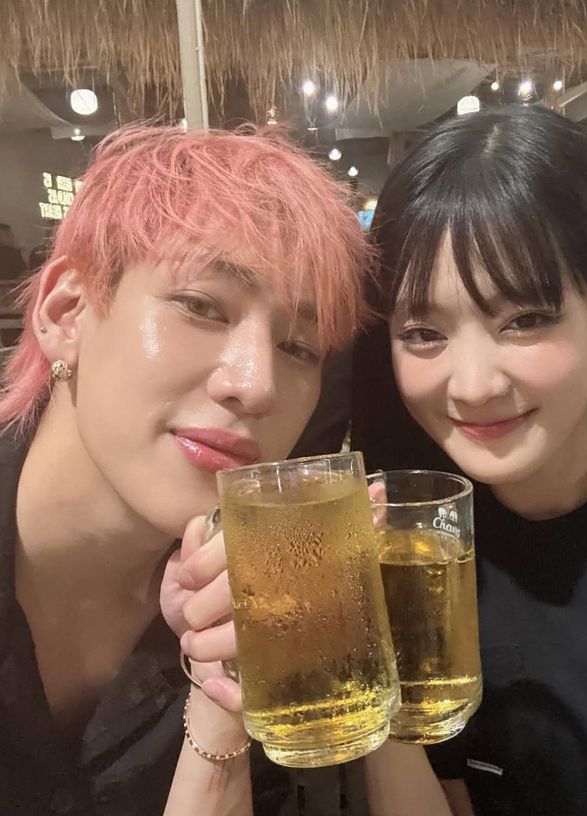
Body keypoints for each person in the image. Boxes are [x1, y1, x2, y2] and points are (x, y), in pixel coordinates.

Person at [0, 123, 372, 815]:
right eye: (202, 306)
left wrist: (224, 704)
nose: (256, 386)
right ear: (66, 313)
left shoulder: (256, 607)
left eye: (300, 348)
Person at [351, 105, 587, 816]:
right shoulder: (409, 549)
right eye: (423, 332)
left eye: (525, 320)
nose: (474, 386)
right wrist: (364, 645)